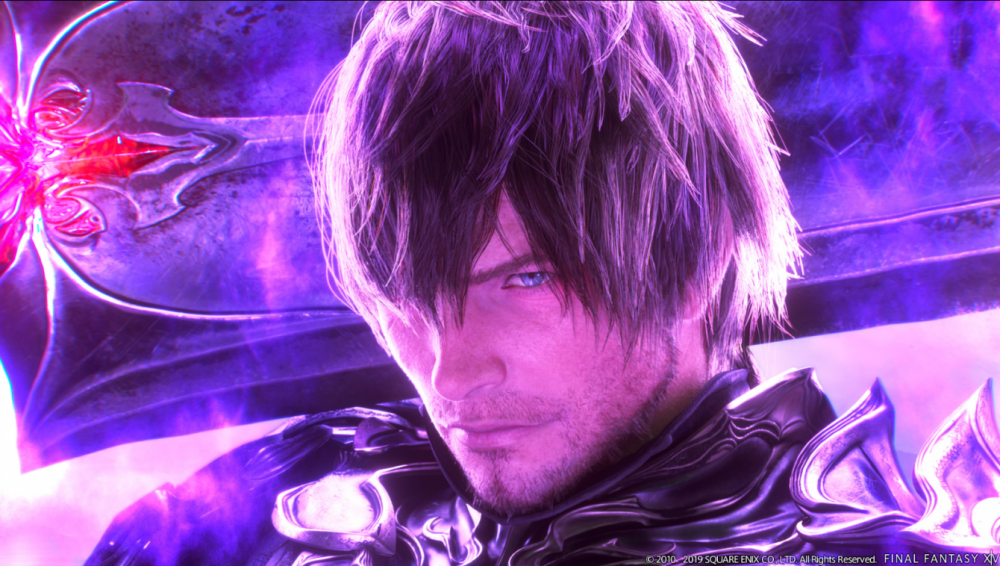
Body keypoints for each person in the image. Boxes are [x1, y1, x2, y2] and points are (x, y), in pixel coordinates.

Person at [86, 2, 1000, 565]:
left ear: (697, 257)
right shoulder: (266, 506)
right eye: (404, 299)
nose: (448, 373)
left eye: (522, 279)